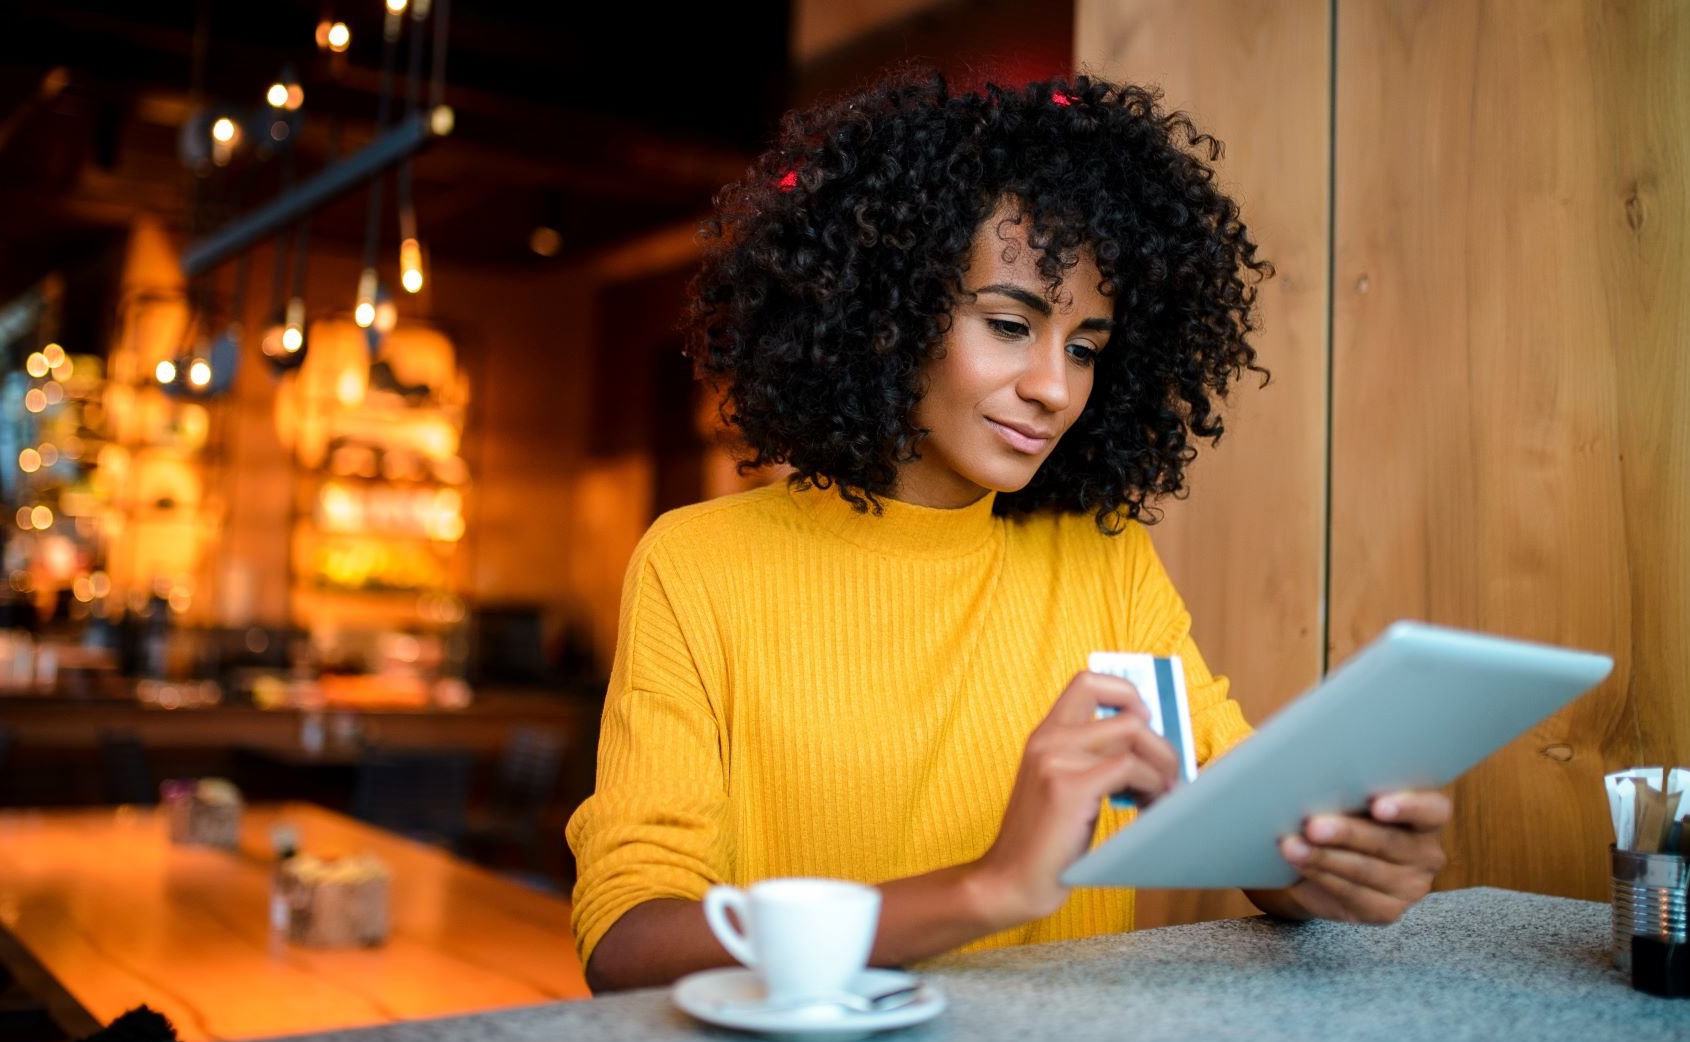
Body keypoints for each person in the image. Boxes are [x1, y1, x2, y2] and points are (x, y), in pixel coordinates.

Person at [566, 73, 1451, 992]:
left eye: (1084, 348)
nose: (1055, 389)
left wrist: (1336, 858)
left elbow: (1243, 823)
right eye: (1008, 323)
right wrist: (986, 888)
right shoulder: (700, 564)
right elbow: (630, 943)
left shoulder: (1101, 559)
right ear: (885, 314)